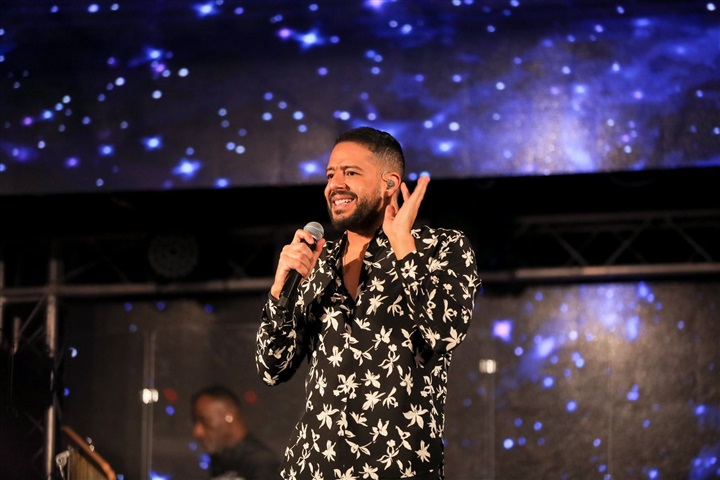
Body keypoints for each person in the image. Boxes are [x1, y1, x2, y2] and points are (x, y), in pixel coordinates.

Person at [255, 126, 481, 480]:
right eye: (330, 174)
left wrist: (403, 246)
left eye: (350, 173)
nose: (335, 184)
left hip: (397, 468)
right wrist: (279, 290)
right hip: (314, 468)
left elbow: (444, 333)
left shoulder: (441, 248)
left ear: (389, 183)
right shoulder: (318, 262)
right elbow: (272, 368)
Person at [190, 384, 281, 480]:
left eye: (206, 421)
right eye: (195, 422)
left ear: (229, 416)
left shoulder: (261, 463)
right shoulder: (221, 461)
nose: (197, 432)